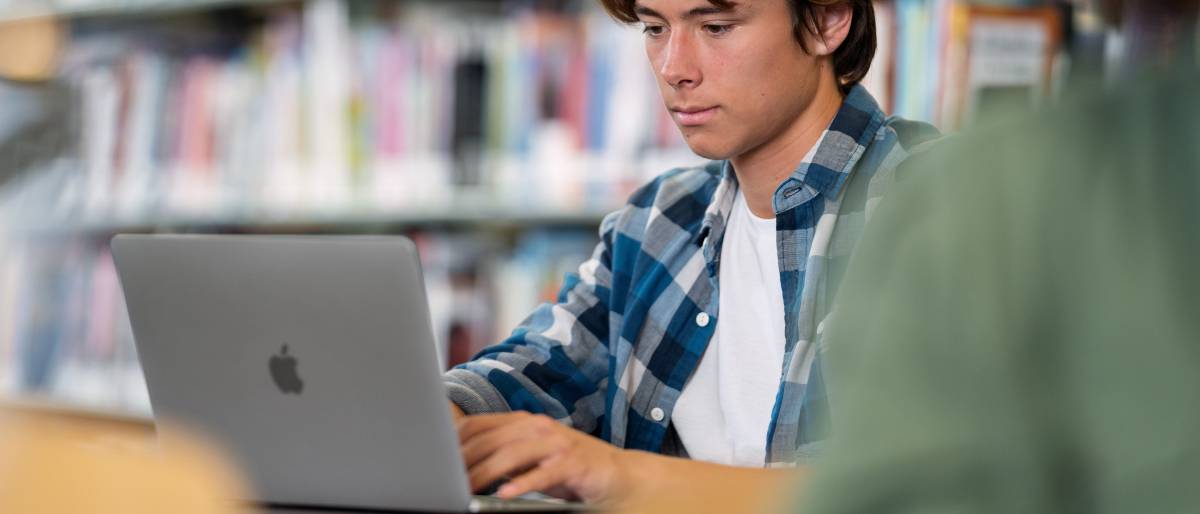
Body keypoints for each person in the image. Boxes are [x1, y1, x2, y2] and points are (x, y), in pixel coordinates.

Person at [442, 0, 940, 506]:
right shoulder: (659, 218)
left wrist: (622, 476)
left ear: (828, 22)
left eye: (716, 27)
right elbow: (542, 365)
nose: (673, 68)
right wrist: (438, 416)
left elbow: (913, 487)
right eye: (655, 28)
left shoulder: (942, 207)